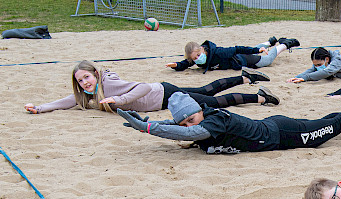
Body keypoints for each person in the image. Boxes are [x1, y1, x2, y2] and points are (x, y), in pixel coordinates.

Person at [116, 90, 341, 154]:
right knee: (323, 122)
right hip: (274, 125)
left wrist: (149, 128)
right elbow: (181, 128)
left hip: (282, 134)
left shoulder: (212, 120)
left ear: (200, 111)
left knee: (332, 127)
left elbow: (191, 132)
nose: (191, 127)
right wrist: (153, 124)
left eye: (192, 119)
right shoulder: (198, 121)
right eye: (185, 123)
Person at [24, 60, 276, 115]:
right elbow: (69, 100)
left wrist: (119, 101)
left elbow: (143, 87)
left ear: (95, 74)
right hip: (161, 101)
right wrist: (41, 108)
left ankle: (257, 95)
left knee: (210, 97)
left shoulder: (108, 83)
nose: (84, 83)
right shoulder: (89, 93)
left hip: (162, 93)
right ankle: (246, 80)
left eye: (86, 78)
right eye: (80, 81)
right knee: (207, 92)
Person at [167, 37, 299, 73]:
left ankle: (285, 44)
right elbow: (186, 63)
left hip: (241, 59)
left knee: (268, 60)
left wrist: (255, 51)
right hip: (238, 58)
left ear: (202, 49)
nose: (197, 59)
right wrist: (177, 65)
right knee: (259, 50)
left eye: (198, 55)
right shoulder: (197, 60)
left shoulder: (218, 52)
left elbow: (237, 49)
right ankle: (269, 42)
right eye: (194, 58)